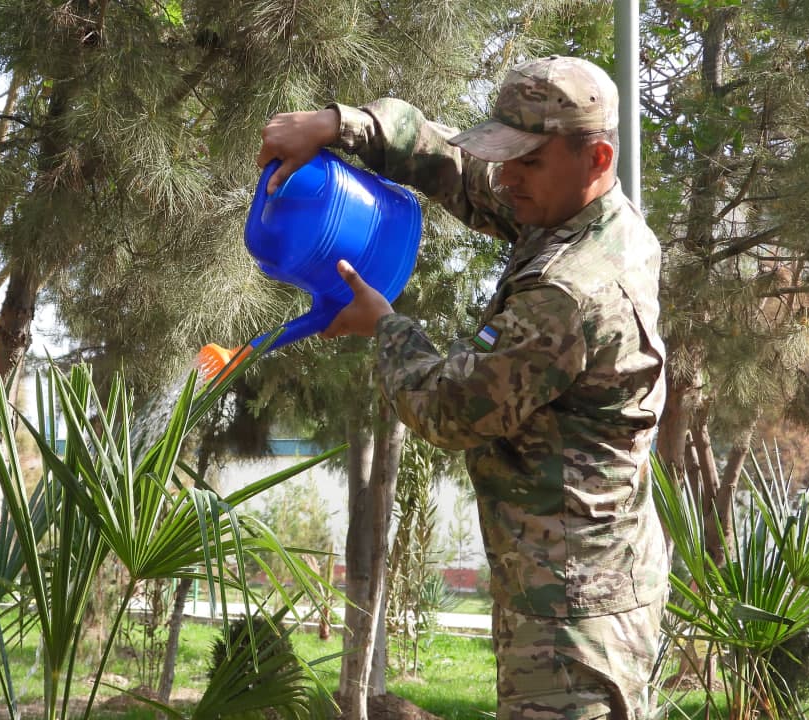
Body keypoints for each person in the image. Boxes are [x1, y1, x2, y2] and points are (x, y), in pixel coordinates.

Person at [257, 56, 669, 720]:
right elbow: (457, 169)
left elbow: (452, 412)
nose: (507, 177)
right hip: (574, 583)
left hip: (574, 614)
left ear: (596, 158)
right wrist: (340, 126)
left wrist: (384, 328)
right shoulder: (578, 213)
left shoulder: (573, 290)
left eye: (526, 163)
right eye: (505, 156)